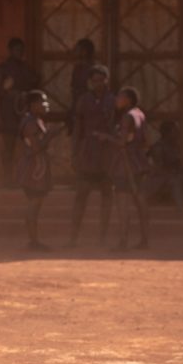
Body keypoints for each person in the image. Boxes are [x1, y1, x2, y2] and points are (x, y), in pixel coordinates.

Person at [68, 64, 116, 247]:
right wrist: (74, 153)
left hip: (107, 156)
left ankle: (102, 238)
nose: (98, 84)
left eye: (101, 80)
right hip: (87, 154)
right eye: (94, 80)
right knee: (81, 195)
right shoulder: (83, 101)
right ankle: (73, 238)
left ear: (107, 80)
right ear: (89, 82)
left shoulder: (113, 101)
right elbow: (77, 129)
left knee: (106, 196)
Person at [102, 86, 149, 250]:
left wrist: (106, 137)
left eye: (120, 97)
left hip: (125, 165)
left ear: (128, 100)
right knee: (140, 203)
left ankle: (123, 241)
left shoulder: (128, 117)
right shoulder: (140, 114)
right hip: (139, 163)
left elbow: (122, 142)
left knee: (123, 203)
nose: (117, 100)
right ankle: (145, 240)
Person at [0, 37, 39, 186]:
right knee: (8, 147)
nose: (20, 53)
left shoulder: (26, 68)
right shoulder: (3, 69)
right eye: (17, 50)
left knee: (28, 146)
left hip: (24, 112)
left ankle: (26, 178)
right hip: (8, 113)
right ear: (11, 50)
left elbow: (35, 84)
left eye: (22, 50)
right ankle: (7, 179)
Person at [16, 89, 60, 249]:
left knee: (36, 203)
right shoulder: (30, 122)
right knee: (34, 202)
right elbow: (36, 147)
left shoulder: (36, 120)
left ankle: (34, 240)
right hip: (33, 170)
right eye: (43, 102)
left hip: (38, 167)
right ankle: (33, 241)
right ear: (33, 105)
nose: (46, 105)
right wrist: (51, 135)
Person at [146, 120, 183, 209]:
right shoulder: (158, 148)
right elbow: (157, 169)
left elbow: (178, 165)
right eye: (175, 131)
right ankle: (181, 209)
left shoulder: (174, 146)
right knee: (175, 181)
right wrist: (173, 174)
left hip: (171, 177)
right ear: (167, 133)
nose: (177, 133)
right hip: (157, 180)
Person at [67, 38, 97, 133]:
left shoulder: (90, 68)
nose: (76, 52)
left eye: (78, 49)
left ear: (84, 51)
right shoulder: (78, 67)